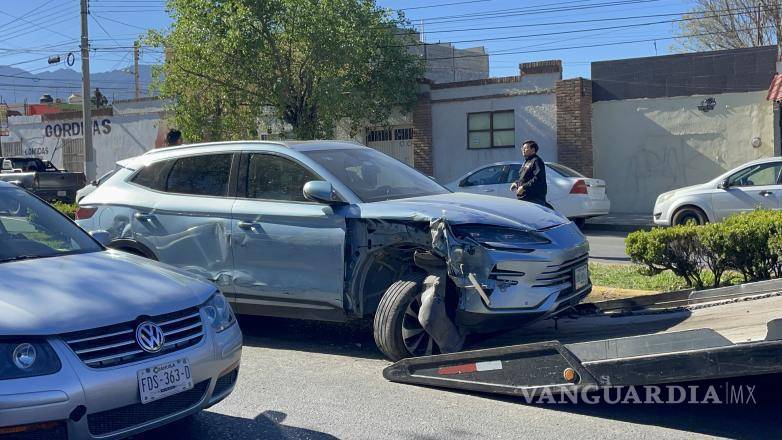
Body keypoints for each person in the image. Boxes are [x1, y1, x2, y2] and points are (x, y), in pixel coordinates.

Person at [509, 140, 552, 208]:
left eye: (525, 148)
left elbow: (538, 178)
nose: (523, 150)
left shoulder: (536, 161)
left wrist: (524, 187)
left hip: (534, 198)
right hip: (525, 197)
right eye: (522, 148)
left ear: (533, 149)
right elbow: (524, 178)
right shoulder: (527, 161)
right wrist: (516, 183)